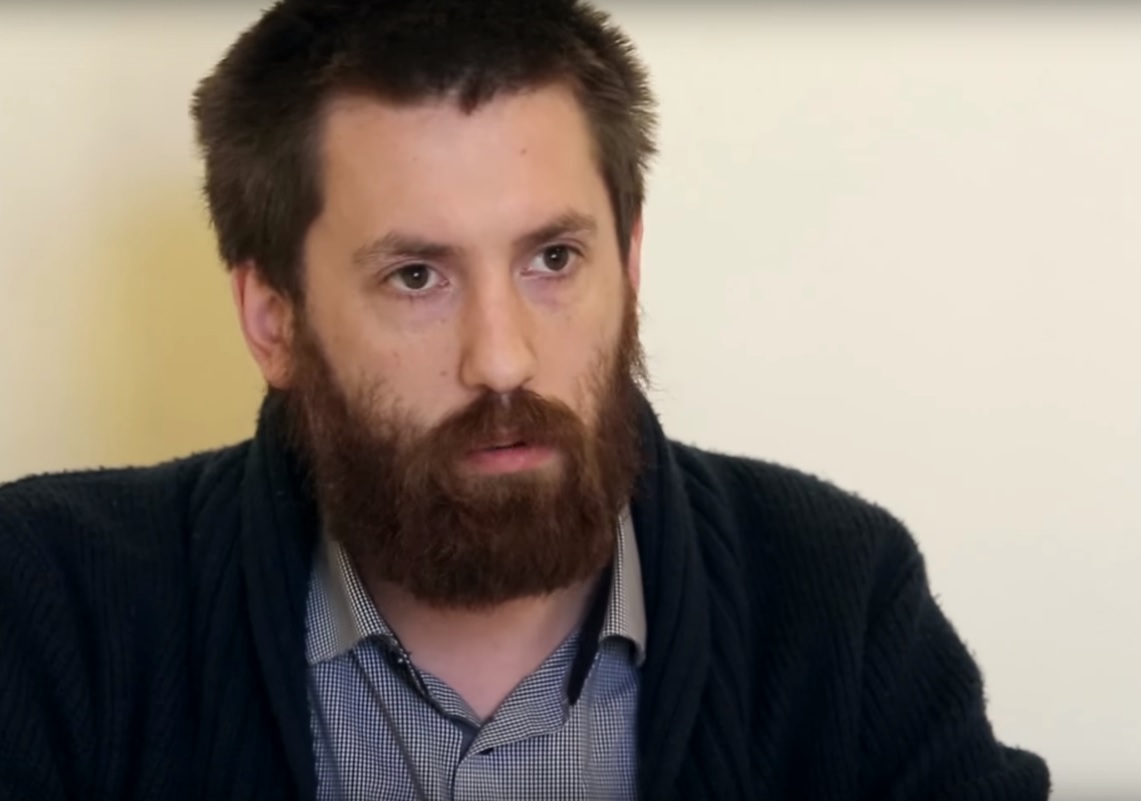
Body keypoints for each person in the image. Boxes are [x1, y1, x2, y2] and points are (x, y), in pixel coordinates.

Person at [0, 1, 1050, 799]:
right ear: (274, 320)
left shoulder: (838, 600)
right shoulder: (52, 607)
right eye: (416, 276)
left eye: (552, 259)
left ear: (628, 264)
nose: (502, 361)